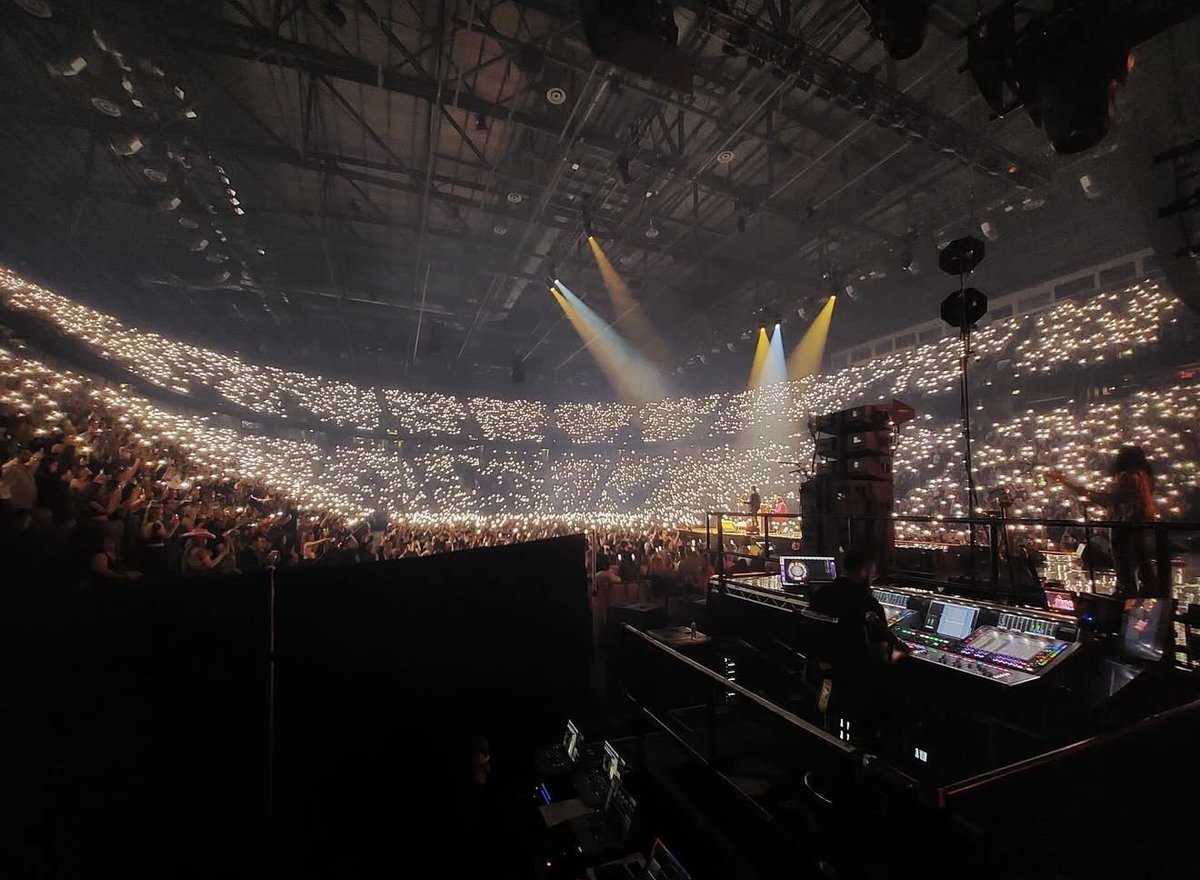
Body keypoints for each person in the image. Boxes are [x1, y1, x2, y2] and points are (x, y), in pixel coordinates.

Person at [804, 548, 906, 741]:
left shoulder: (820, 595)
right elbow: (879, 655)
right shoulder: (868, 604)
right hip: (857, 683)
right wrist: (900, 654)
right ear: (864, 570)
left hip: (824, 675)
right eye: (873, 570)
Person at [1050, 445, 1160, 596]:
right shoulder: (1145, 477)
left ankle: (1126, 598)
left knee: (1124, 566)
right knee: (1141, 563)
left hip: (1123, 525)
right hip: (1138, 524)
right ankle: (1149, 597)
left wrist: (1079, 489)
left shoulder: (1127, 477)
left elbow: (1111, 500)